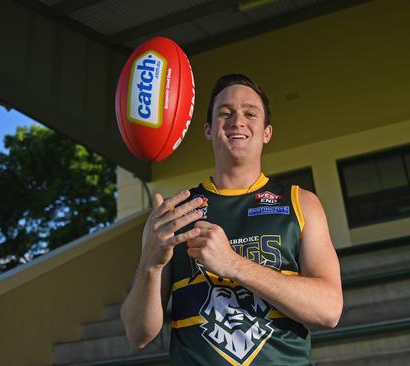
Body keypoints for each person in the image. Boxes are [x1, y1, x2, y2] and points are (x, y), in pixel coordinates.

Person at [120, 74, 343, 365]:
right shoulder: (176, 214)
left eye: (250, 113)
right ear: (209, 130)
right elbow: (137, 334)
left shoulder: (300, 203)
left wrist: (233, 264)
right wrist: (151, 263)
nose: (237, 121)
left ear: (266, 132)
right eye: (225, 113)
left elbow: (329, 309)